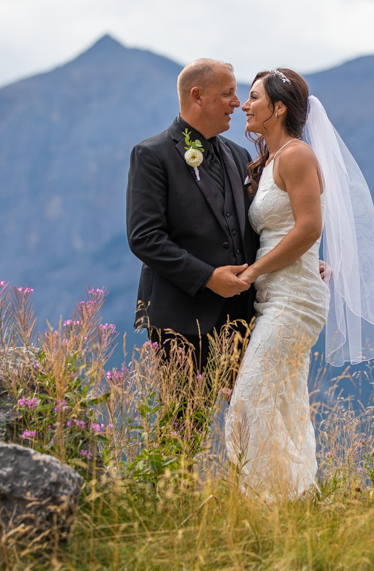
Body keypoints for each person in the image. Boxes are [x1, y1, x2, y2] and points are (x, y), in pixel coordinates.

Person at [225, 68, 374, 498]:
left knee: (249, 403)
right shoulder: (271, 160)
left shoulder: (296, 155)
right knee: (282, 405)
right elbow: (289, 230)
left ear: (279, 107)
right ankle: (294, 500)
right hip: (276, 295)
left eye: (253, 98)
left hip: (294, 299)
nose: (245, 105)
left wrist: (253, 271)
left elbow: (308, 228)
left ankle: (268, 502)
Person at [126, 59, 256, 372]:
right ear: (197, 96)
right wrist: (208, 278)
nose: (237, 104)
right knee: (184, 421)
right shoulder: (152, 155)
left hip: (243, 317)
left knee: (246, 419)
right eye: (227, 94)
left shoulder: (240, 156)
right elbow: (144, 237)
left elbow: (255, 226)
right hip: (181, 319)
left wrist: (298, 262)